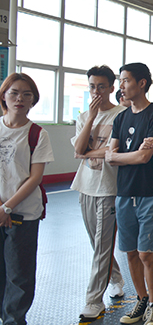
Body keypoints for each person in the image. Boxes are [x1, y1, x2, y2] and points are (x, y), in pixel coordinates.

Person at [106, 63, 153, 325]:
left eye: (125, 80)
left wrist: (121, 156)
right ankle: (141, 300)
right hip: (124, 193)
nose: (121, 85)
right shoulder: (121, 118)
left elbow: (144, 157)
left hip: (149, 193)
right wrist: (128, 155)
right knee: (130, 252)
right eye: (120, 81)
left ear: (142, 83)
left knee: (145, 253)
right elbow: (109, 156)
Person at [71, 66, 127, 320]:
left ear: (112, 88)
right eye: (92, 86)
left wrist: (87, 152)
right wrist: (91, 118)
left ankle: (93, 301)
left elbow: (115, 152)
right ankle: (115, 277)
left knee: (103, 246)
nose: (96, 92)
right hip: (85, 185)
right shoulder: (84, 116)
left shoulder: (122, 115)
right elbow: (78, 149)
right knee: (98, 245)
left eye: (101, 86)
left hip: (109, 188)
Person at [0, 73, 54, 325]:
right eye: (14, 92)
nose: (19, 98)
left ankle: (14, 320)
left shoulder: (37, 134)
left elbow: (35, 178)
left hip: (23, 213)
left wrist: (7, 207)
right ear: (4, 96)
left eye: (26, 94)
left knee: (19, 274)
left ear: (33, 100)